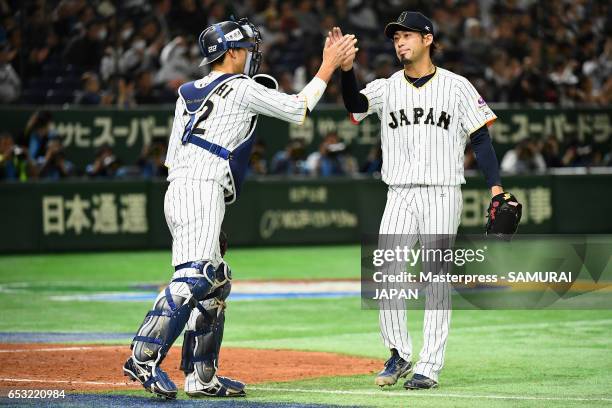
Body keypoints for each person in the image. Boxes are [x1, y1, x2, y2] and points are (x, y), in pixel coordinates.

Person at [123, 17, 356, 399]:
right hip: (199, 187)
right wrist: (328, 65)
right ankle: (143, 355)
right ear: (231, 52)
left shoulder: (186, 92)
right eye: (247, 49)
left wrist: (209, 215)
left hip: (185, 187)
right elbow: (298, 109)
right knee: (195, 277)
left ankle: (202, 377)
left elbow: (173, 156)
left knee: (215, 281)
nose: (251, 56)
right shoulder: (240, 87)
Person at [331, 11, 519, 390]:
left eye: (407, 36)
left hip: (441, 192)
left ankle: (429, 366)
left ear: (427, 39)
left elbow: (480, 139)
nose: (400, 42)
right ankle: (398, 353)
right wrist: (346, 70)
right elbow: (354, 103)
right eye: (396, 37)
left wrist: (496, 187)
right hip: (398, 192)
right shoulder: (386, 87)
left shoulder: (457, 86)